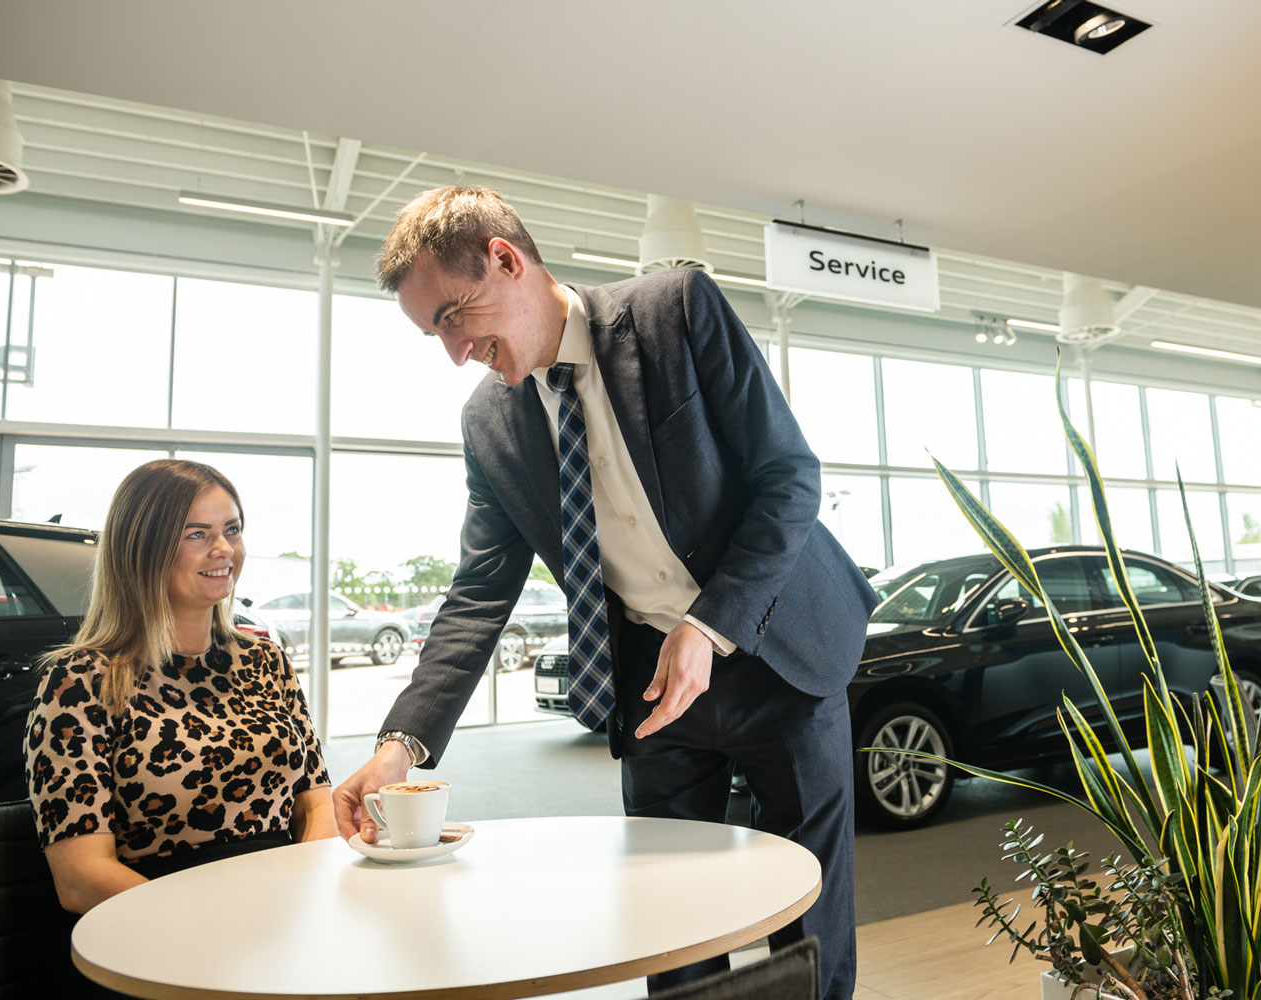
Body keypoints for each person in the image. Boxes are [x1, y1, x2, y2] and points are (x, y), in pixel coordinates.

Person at [331, 186, 876, 999]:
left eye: (452, 317)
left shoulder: (676, 311)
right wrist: (399, 746)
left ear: (505, 260)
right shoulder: (489, 425)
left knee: (807, 916)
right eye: (433, 334)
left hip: (777, 649)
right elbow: (479, 595)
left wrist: (708, 625)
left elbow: (788, 479)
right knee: (670, 922)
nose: (454, 352)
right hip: (651, 686)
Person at [25, 459, 335, 919]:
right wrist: (209, 923)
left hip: (282, 915)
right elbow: (80, 877)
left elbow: (317, 807)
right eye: (197, 534)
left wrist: (307, 899)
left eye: (232, 530)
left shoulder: (265, 660)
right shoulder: (80, 681)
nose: (224, 549)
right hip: (159, 926)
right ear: (143, 549)